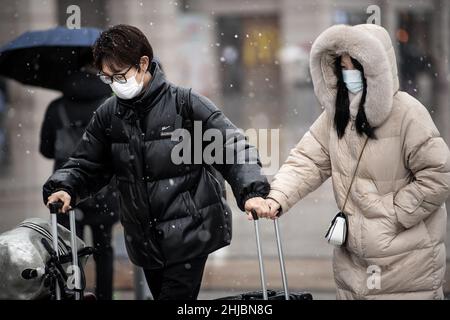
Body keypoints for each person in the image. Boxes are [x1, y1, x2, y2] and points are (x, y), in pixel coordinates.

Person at [42, 24, 270, 300]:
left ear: (143, 63)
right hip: (144, 241)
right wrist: (66, 185)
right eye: (107, 78)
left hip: (189, 233)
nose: (114, 84)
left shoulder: (184, 104)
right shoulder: (109, 114)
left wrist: (252, 191)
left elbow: (232, 146)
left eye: (119, 75)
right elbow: (88, 163)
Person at [252, 24, 450, 299]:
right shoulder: (337, 116)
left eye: (355, 66)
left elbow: (439, 175)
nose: (349, 75)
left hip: (406, 264)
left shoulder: (408, 113)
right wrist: (277, 198)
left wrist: (392, 213)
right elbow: (307, 160)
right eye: (342, 67)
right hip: (352, 263)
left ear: (375, 69)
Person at [40, 70, 119, 300]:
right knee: (104, 249)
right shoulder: (109, 104)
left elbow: (45, 149)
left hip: (65, 191)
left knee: (68, 251)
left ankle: (73, 294)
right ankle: (105, 296)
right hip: (103, 190)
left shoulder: (57, 108)